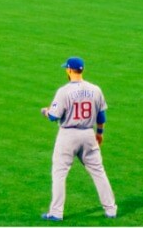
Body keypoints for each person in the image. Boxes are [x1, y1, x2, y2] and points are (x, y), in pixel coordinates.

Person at [41, 57, 117, 221]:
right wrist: (100, 134)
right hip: (88, 134)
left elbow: (54, 116)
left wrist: (45, 111)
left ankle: (56, 212)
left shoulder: (64, 91)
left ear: (69, 70)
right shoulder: (95, 89)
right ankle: (111, 210)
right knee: (98, 172)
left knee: (59, 173)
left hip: (68, 136)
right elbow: (101, 116)